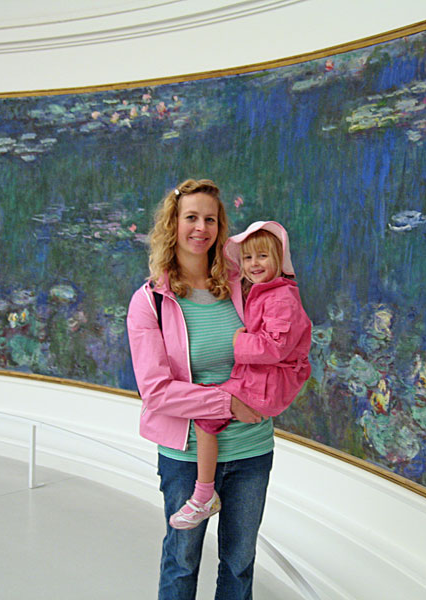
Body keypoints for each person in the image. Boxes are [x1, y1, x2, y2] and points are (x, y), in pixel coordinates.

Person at [126, 179, 273, 600]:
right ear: (173, 224)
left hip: (251, 448)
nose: (201, 228)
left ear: (220, 227)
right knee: (182, 561)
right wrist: (228, 402)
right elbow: (156, 391)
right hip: (186, 455)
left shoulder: (244, 286)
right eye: (191, 217)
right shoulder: (150, 301)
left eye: (210, 219)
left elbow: (277, 343)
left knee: (240, 564)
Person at [168, 221, 311, 531]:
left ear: (279, 259)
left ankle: (204, 496)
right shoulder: (263, 291)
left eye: (262, 256)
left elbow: (274, 348)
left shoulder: (281, 298)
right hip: (260, 378)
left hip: (267, 384)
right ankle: (205, 493)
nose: (254, 264)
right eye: (247, 258)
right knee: (208, 407)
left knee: (206, 415)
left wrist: (239, 342)